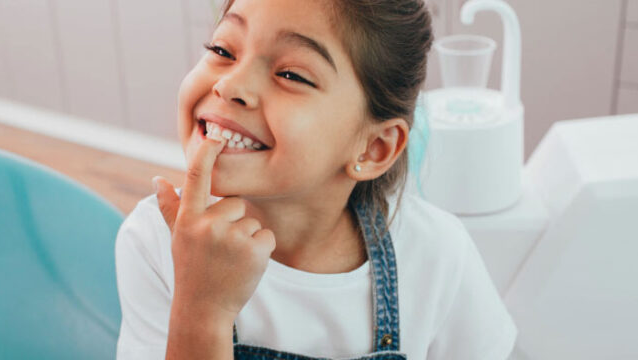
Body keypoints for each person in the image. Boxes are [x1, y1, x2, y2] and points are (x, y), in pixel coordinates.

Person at [114, 0, 517, 358]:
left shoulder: (438, 256)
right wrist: (201, 311)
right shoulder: (155, 242)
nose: (229, 84)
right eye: (223, 50)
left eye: (291, 75)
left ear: (373, 148)